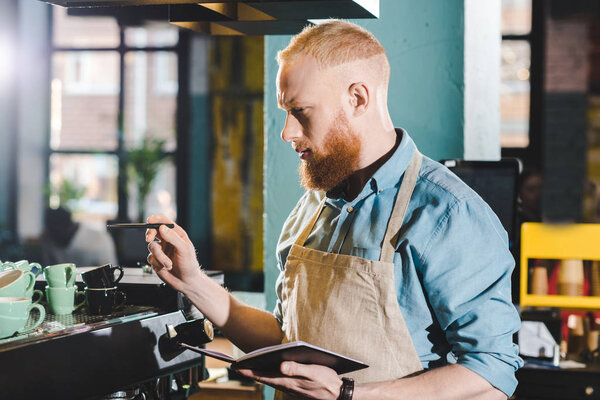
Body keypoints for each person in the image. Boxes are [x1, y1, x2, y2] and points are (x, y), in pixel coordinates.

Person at [146, 20, 522, 400]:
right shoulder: (313, 206)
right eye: (285, 111)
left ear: (358, 98)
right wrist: (192, 282)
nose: (287, 132)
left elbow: (490, 372)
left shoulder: (446, 213)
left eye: (302, 111)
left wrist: (350, 394)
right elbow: (284, 337)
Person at [41, 207, 118, 268]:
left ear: (69, 227)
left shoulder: (100, 239)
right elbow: (51, 269)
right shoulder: (50, 239)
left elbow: (110, 273)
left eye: (55, 234)